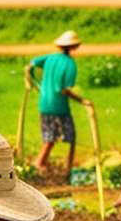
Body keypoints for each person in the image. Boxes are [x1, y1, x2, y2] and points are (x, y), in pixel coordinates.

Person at [24, 30, 86, 178]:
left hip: (44, 103)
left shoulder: (50, 58)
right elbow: (63, 89)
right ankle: (64, 167)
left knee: (49, 137)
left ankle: (41, 163)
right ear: (75, 46)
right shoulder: (70, 64)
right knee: (70, 136)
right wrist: (81, 100)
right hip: (59, 107)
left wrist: (33, 83)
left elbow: (29, 66)